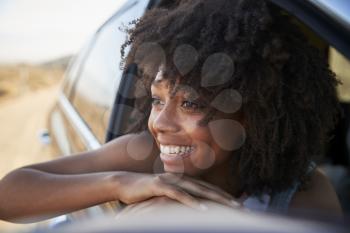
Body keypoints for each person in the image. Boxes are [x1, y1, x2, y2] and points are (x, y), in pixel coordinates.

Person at [0, 0, 343, 223]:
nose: (160, 123)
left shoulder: (301, 193)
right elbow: (9, 194)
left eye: (190, 103)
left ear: (254, 114)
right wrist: (121, 184)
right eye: (157, 100)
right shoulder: (142, 157)